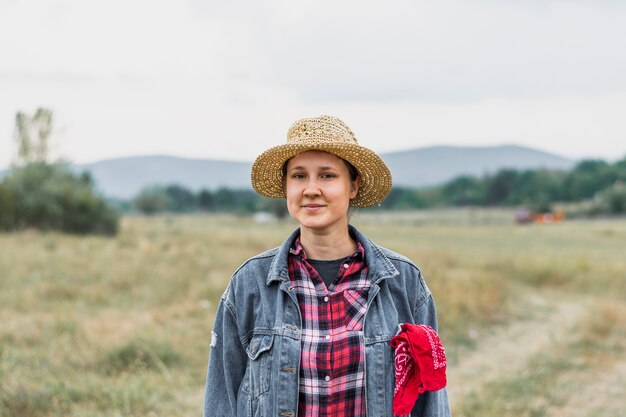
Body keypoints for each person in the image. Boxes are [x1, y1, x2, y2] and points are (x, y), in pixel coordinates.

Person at [203, 115, 450, 417]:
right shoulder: (248, 284)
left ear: (354, 186)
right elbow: (222, 398)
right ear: (286, 186)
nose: (311, 189)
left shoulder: (405, 282)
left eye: (327, 176)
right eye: (298, 176)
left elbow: (431, 400)